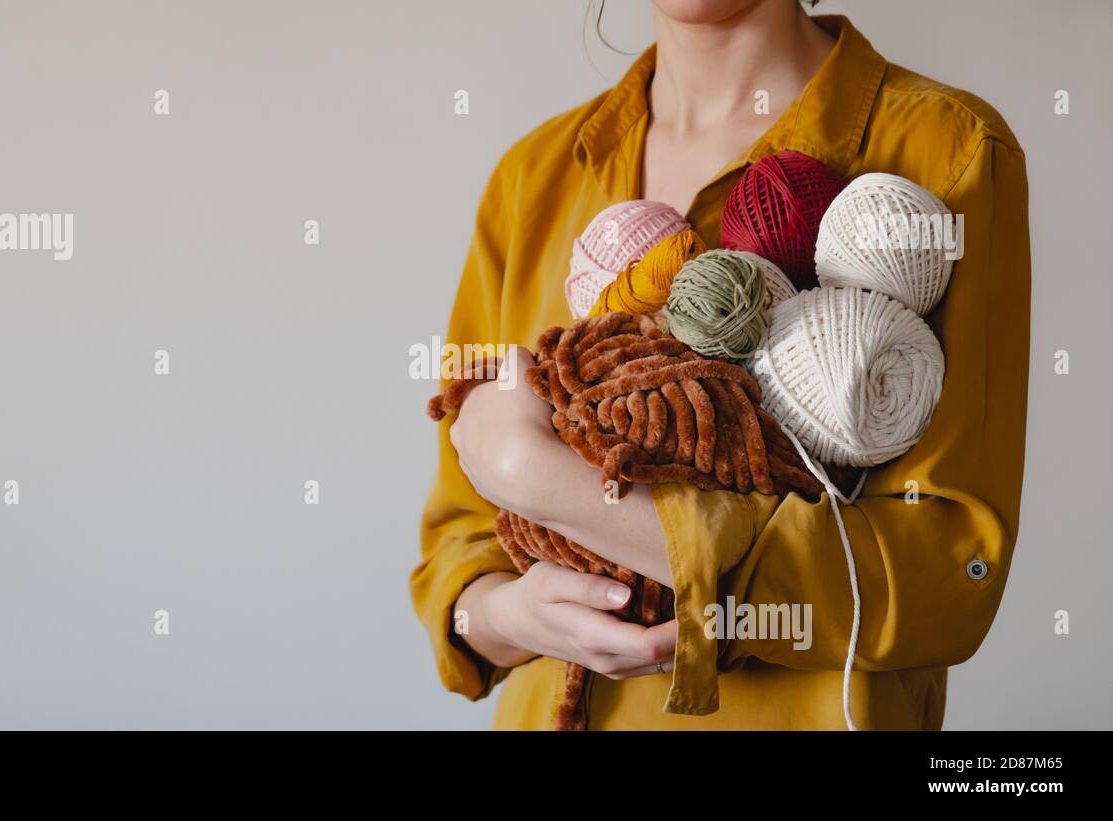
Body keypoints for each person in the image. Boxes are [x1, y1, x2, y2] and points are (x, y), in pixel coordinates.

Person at [412, 0, 1030, 729]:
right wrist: (514, 614)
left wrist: (544, 481)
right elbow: (457, 554)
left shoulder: (950, 149)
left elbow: (954, 571)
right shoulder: (528, 180)